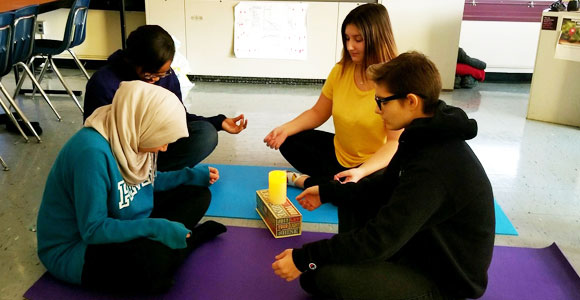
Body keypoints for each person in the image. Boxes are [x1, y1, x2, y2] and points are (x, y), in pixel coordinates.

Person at [272, 52, 495, 300]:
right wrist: (327, 191)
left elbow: (381, 238)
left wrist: (306, 258)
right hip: (419, 246)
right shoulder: (421, 135)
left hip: (443, 280)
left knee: (321, 277)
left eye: (382, 101)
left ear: (411, 101)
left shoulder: (435, 164)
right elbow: (382, 188)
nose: (377, 110)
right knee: (350, 199)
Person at [37, 81, 227, 293]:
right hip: (77, 248)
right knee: (153, 269)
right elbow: (93, 230)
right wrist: (157, 227)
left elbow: (146, 181)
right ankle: (187, 243)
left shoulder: (130, 132)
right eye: (162, 140)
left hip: (122, 219)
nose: (164, 148)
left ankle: (173, 247)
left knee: (198, 194)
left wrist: (189, 175)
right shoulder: (91, 153)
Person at [263, 3, 400, 188]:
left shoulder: (395, 81)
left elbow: (394, 144)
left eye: (358, 39)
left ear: (377, 38)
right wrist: (285, 128)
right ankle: (335, 185)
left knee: (371, 190)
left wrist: (361, 171)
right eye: (347, 38)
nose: (350, 46)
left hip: (371, 165)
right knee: (289, 140)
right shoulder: (341, 70)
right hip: (337, 154)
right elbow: (319, 112)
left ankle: (306, 182)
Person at [84, 25, 247, 172]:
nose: (155, 79)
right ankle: (143, 180)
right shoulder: (103, 83)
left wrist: (219, 122)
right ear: (131, 60)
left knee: (205, 134)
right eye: (149, 75)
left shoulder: (166, 77)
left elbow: (179, 119)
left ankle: (156, 177)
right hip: (120, 155)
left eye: (162, 74)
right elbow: (96, 137)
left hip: (156, 150)